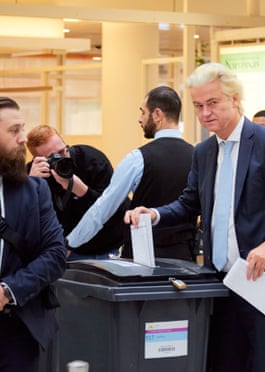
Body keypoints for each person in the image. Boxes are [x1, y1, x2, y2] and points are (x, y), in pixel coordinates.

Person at [124, 62, 265, 372]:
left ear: (235, 99)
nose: (205, 113)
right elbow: (190, 204)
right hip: (222, 283)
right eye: (198, 106)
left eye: (213, 103)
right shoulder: (203, 152)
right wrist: (156, 214)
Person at [66, 86, 196, 262]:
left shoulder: (138, 158)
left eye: (143, 112)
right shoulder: (198, 156)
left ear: (157, 114)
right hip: (185, 260)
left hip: (141, 263)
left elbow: (102, 209)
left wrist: (70, 243)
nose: (139, 119)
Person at [0, 97, 66, 371]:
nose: (23, 138)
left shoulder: (35, 190)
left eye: (22, 129)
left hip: (18, 328)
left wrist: (8, 291)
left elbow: (55, 254)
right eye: (14, 131)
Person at [26, 125, 129, 261]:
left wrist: (81, 191)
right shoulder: (35, 174)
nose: (62, 159)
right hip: (61, 252)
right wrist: (31, 185)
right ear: (38, 160)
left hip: (104, 247)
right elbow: (25, 220)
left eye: (63, 151)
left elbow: (116, 209)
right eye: (53, 157)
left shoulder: (90, 160)